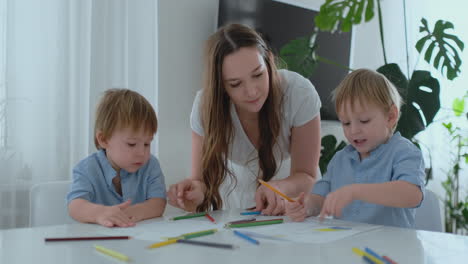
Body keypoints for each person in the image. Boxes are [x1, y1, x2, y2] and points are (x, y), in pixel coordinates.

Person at [167, 23, 322, 215]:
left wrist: (279, 189)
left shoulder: (299, 93)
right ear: (222, 86)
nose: (251, 91)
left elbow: (307, 176)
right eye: (235, 84)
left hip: (292, 195)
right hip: (234, 199)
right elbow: (199, 181)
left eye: (258, 75)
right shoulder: (205, 106)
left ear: (269, 62)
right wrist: (192, 192)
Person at [285, 69, 425, 228]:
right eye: (346, 123)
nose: (353, 131)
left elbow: (412, 194)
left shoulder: (404, 152)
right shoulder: (340, 159)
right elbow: (320, 198)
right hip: (349, 245)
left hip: (390, 248)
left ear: (391, 116)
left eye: (364, 121)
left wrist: (356, 191)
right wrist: (306, 206)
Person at [67, 89, 166, 227]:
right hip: (98, 243)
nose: (142, 153)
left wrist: (133, 212)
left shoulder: (151, 165)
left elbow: (158, 203)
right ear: (104, 139)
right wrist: (100, 213)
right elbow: (75, 206)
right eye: (131, 144)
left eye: (147, 144)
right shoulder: (86, 169)